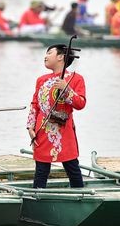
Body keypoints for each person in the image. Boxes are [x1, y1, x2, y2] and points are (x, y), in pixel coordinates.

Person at [27, 44, 86, 189]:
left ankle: (80, 196)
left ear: (60, 57)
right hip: (42, 130)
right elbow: (35, 104)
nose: (45, 56)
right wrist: (30, 126)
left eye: (49, 53)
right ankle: (37, 198)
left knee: (72, 168)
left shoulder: (76, 79)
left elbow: (80, 104)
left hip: (64, 131)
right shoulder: (41, 80)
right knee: (41, 170)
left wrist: (66, 89)